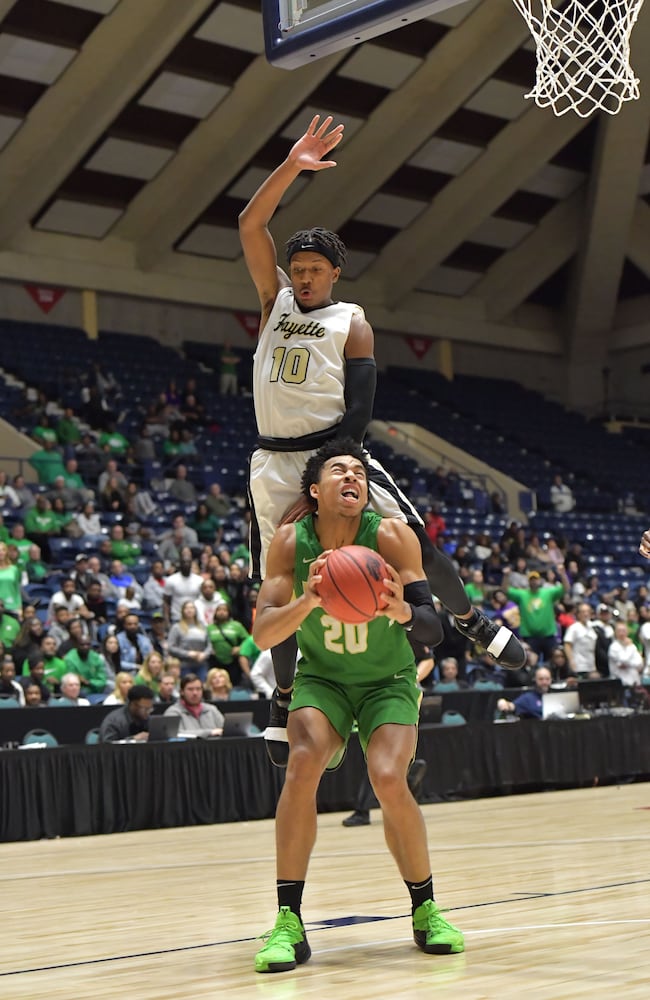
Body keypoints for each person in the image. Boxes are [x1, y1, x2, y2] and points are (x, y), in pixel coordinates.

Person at [239, 114, 525, 764]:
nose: (305, 276)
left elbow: (359, 411)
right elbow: (250, 227)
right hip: (271, 461)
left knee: (417, 542)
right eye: (299, 268)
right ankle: (286, 699)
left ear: (335, 275)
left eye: (315, 269)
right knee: (278, 581)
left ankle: (470, 622)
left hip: (336, 450)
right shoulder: (273, 303)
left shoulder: (352, 322)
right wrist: (291, 165)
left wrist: (323, 483)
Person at [250, 439, 464, 973]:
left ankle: (426, 909)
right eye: (339, 470)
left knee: (389, 777)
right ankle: (288, 921)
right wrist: (309, 600)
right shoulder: (287, 542)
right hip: (323, 680)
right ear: (316, 491)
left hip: (387, 679)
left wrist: (401, 612)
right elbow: (261, 633)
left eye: (360, 472)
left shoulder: (390, 535)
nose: (354, 476)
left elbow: (434, 629)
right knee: (302, 765)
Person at [163, 673, 224, 737]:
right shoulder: (172, 712)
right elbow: (175, 734)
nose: (195, 693)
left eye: (198, 689)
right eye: (190, 689)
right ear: (182, 692)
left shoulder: (212, 710)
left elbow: (225, 730)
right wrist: (210, 732)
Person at [167, 599, 212, 680]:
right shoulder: (177, 627)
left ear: (195, 611)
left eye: (191, 608)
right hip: (184, 665)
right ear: (183, 611)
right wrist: (188, 653)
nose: (189, 610)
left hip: (201, 664)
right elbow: (171, 647)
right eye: (186, 608)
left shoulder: (203, 627)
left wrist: (205, 654)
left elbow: (209, 645)